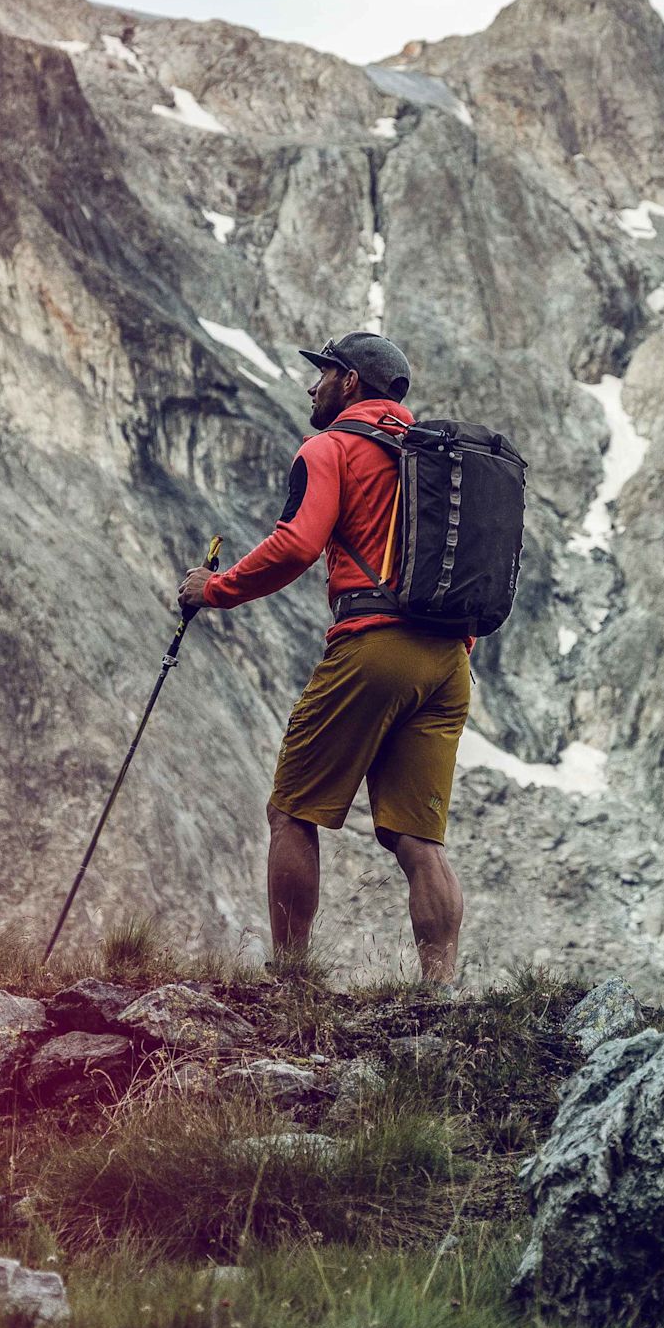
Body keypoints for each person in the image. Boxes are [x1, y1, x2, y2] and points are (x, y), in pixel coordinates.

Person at [184, 330, 465, 987]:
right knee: (416, 838)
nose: (313, 386)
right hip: (449, 661)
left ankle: (288, 977)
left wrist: (215, 589)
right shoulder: (438, 460)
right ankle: (440, 991)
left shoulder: (331, 448)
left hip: (375, 646)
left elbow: (295, 544)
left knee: (291, 811)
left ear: (352, 383)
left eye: (324, 373)